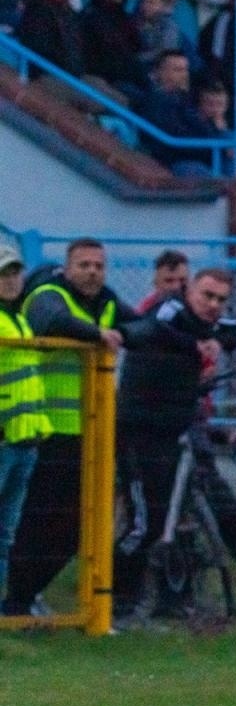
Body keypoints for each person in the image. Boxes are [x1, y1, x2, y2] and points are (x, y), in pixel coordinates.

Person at [112, 269, 236, 614]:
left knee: (225, 508)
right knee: (147, 523)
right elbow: (157, 329)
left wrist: (216, 343)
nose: (214, 305)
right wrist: (198, 347)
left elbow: (235, 331)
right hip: (142, 432)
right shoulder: (170, 311)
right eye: (207, 296)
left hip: (184, 428)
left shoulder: (210, 322)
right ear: (189, 291)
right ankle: (115, 601)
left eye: (220, 299)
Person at [3, 240, 129, 616]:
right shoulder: (43, 299)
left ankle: (18, 602)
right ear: (66, 267)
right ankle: (18, 601)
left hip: (38, 432)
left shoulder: (18, 320)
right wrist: (97, 336)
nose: (92, 272)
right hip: (36, 435)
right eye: (84, 264)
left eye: (98, 265)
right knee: (30, 524)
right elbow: (53, 320)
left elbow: (141, 325)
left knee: (53, 526)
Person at [0, 246, 51, 604]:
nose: (11, 280)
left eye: (15, 272)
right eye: (4, 273)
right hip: (4, 439)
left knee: (6, 532)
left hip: (23, 439)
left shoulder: (19, 318)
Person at [136, 250, 189, 314]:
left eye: (182, 280)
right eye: (169, 281)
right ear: (156, 283)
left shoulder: (197, 305)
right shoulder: (147, 307)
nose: (176, 287)